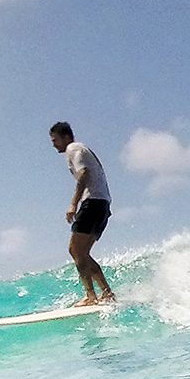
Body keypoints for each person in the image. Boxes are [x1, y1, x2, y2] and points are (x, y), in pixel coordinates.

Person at [49, 122, 114, 306]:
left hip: (93, 202)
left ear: (66, 137)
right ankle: (107, 293)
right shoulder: (80, 149)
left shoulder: (73, 148)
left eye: (55, 140)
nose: (53, 145)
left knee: (75, 250)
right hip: (103, 204)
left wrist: (73, 204)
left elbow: (83, 174)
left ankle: (89, 295)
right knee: (82, 252)